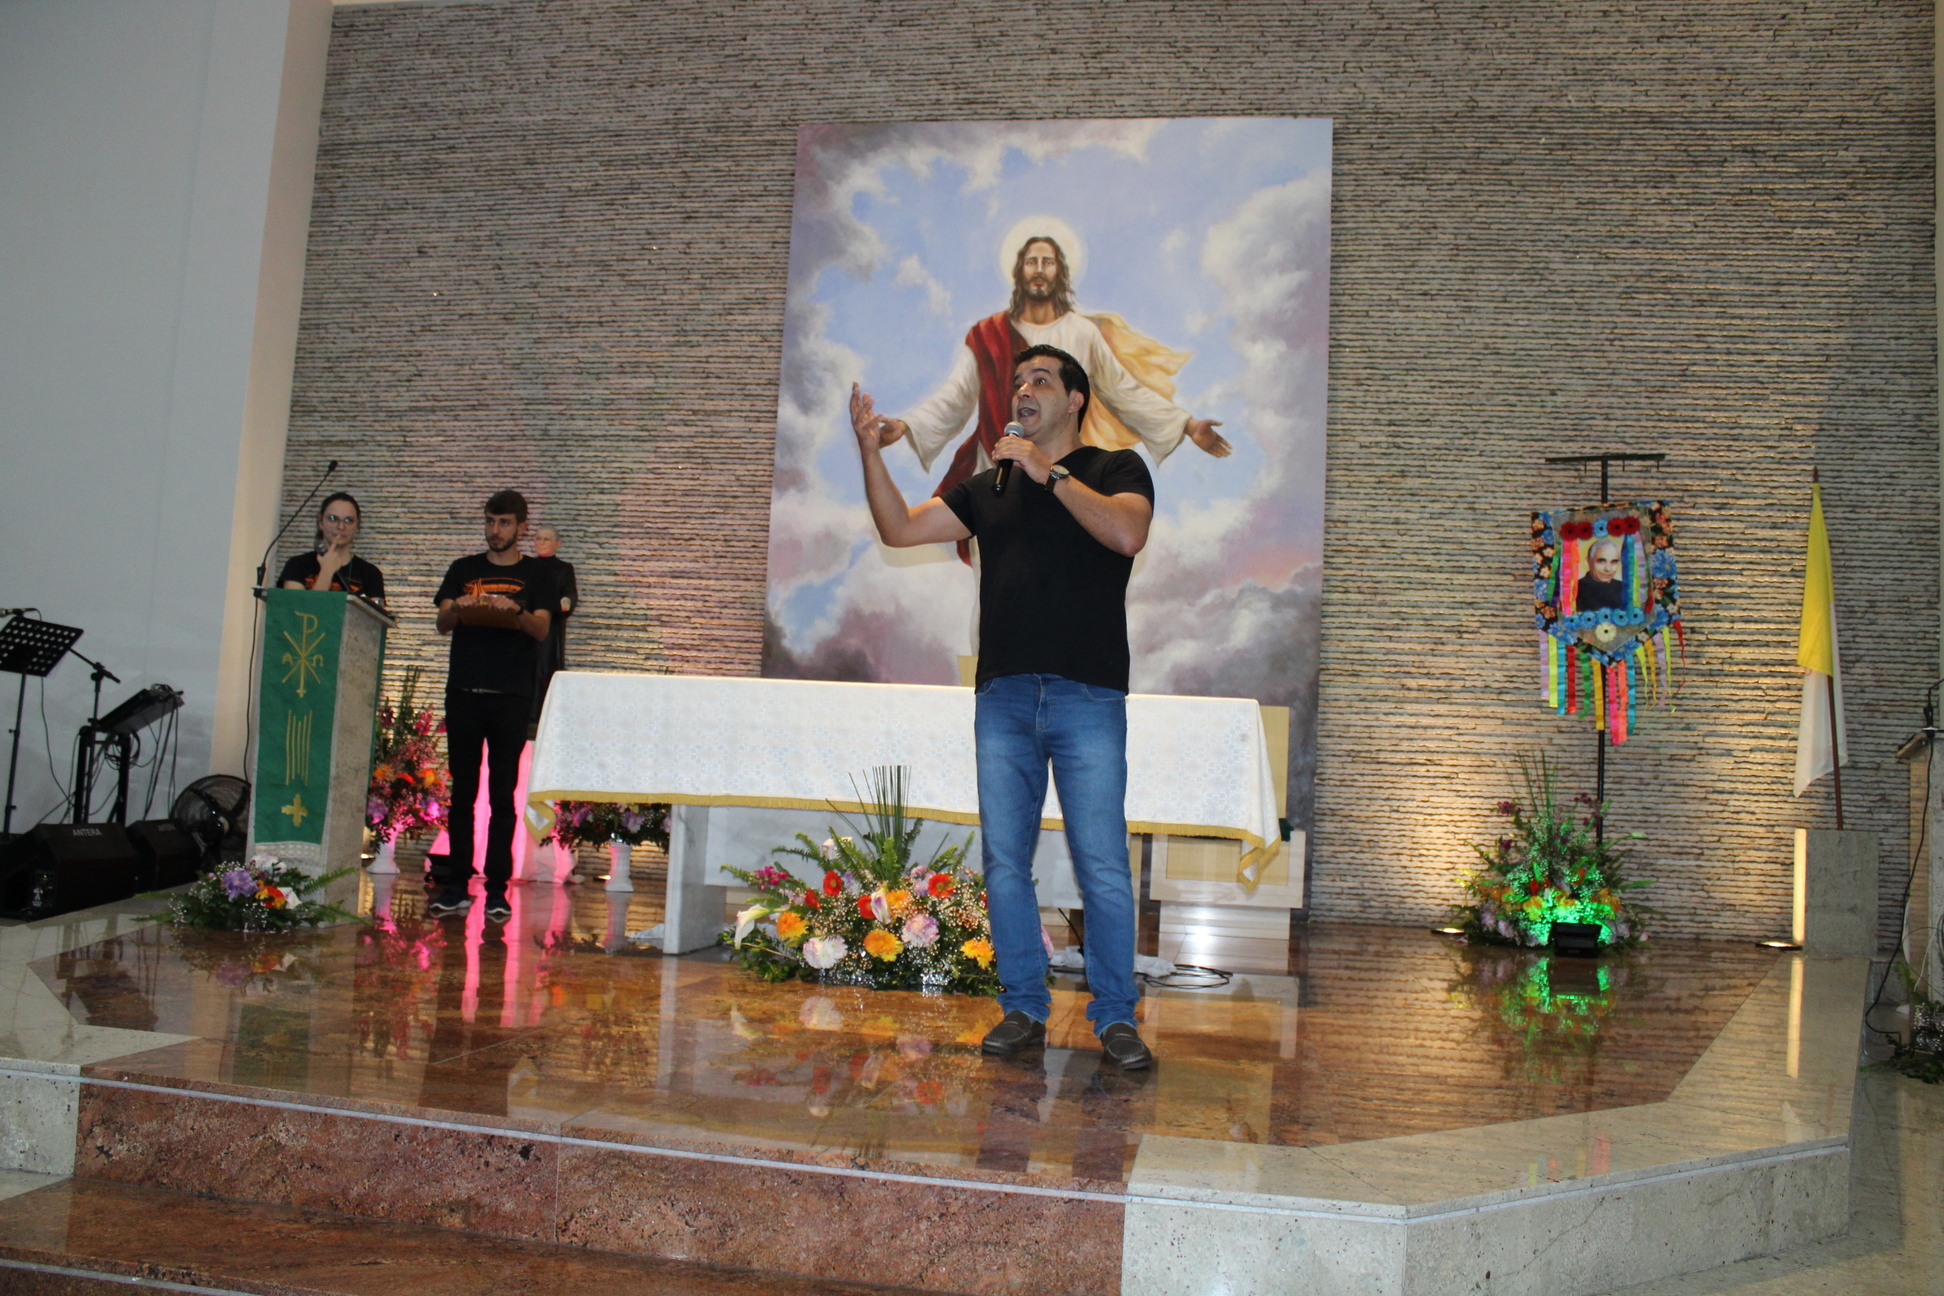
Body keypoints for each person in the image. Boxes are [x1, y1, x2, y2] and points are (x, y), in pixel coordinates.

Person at [849, 344, 1155, 1070]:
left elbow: (1127, 533)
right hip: (1005, 696)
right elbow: (900, 529)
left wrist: (1051, 474)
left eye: (1040, 380)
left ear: (1075, 399)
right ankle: (1023, 1007)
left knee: (1102, 863)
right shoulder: (990, 485)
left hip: (1088, 693)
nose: (1023, 389)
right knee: (1006, 861)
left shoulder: (1116, 468)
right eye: (1018, 381)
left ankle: (1115, 1016)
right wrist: (870, 453)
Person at [876, 236, 1227, 560]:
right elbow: (955, 397)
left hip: (1072, 482)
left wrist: (1185, 425)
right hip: (1004, 481)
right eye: (1031, 262)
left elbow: (1124, 390)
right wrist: (901, 429)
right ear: (1019, 271)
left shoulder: (1082, 334)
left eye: (1048, 262)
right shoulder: (987, 335)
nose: (1024, 392)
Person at [430, 490, 555, 920]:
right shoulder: (463, 569)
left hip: (511, 697)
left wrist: (514, 611)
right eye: (489, 521)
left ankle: (498, 890)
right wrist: (460, 607)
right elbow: (442, 622)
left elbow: (541, 629)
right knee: (462, 794)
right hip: (464, 693)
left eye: (503, 523)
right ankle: (456, 885)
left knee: (503, 796)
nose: (494, 530)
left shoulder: (537, 575)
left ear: (521, 526)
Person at [278, 491, 385, 606]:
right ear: (320, 522)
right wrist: (326, 572)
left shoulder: (371, 574)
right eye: (333, 518)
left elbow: (375, 615)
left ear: (357, 526)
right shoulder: (297, 565)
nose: (341, 526)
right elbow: (296, 611)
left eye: (349, 520)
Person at [529, 524, 578, 726]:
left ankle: (542, 715)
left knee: (545, 668)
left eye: (546, 539)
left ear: (558, 544)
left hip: (550, 628)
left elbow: (570, 593)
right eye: (537, 538)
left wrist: (566, 602)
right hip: (526, 626)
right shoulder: (526, 566)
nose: (541, 543)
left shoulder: (564, 569)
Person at [1577, 537, 1628, 611]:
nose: (1608, 569)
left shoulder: (1625, 589)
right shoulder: (1575, 590)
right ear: (1588, 562)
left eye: (1614, 562)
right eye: (1601, 561)